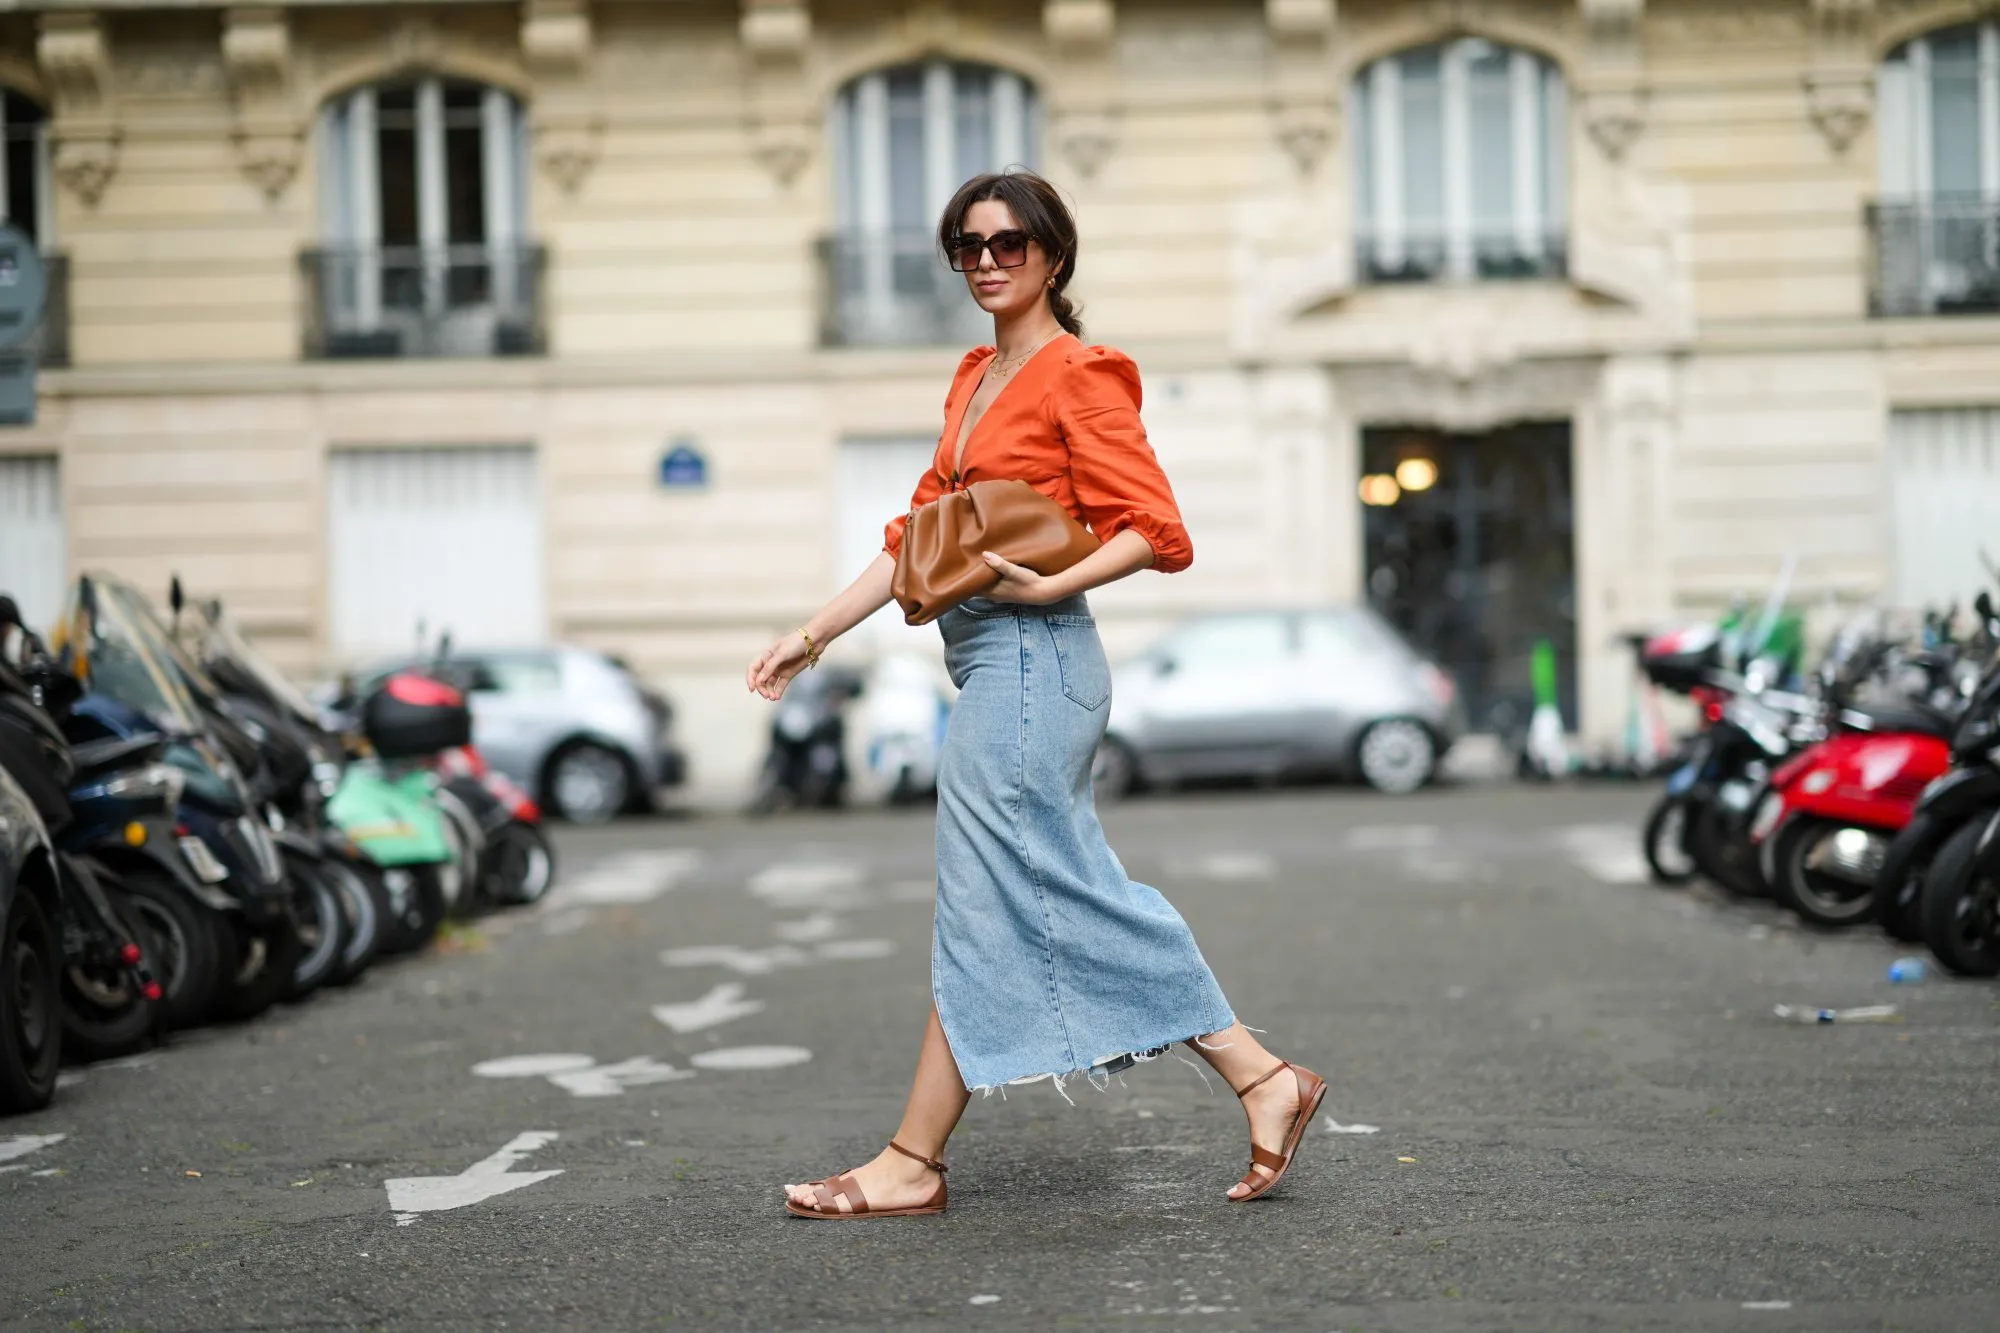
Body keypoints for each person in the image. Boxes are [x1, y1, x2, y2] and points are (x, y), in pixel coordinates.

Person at [746, 170, 1326, 1219]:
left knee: (1022, 897)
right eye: (965, 246)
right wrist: (811, 633)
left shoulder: (1079, 374)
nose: (983, 262)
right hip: (990, 667)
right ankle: (1250, 1079)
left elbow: (1157, 528)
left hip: (1034, 663)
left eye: (1007, 244)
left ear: (1052, 255)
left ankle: (920, 1159)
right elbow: (915, 537)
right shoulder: (973, 376)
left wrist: (1057, 579)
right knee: (997, 904)